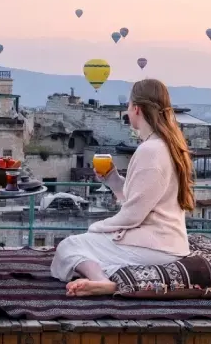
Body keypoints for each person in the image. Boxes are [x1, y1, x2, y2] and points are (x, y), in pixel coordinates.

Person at [50, 78, 194, 296]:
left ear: (136, 108)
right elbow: (143, 199)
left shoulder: (151, 150)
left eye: (128, 105)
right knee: (85, 246)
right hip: (168, 242)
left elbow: (133, 215)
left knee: (69, 246)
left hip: (155, 245)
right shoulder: (168, 146)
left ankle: (101, 281)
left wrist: (96, 228)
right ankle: (112, 275)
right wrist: (113, 180)